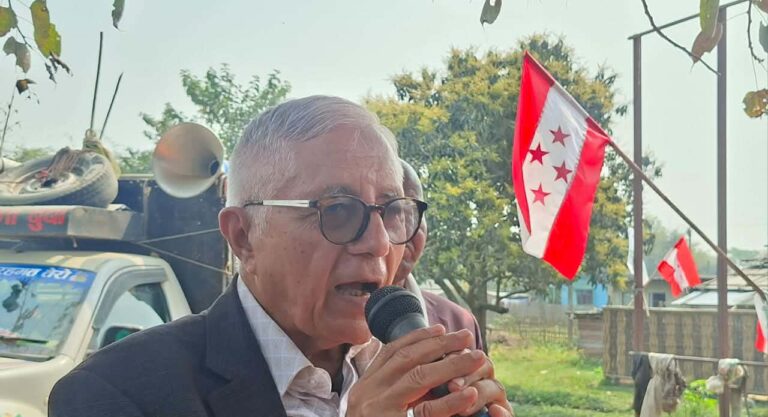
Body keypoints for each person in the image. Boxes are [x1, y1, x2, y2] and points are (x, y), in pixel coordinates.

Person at [48, 96, 513, 417]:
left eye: (392, 210)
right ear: (244, 237)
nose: (377, 242)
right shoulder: (114, 395)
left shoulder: (438, 351)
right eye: (337, 211)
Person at [395, 160, 484, 351]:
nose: (404, 230)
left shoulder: (460, 323)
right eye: (392, 213)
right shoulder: (337, 322)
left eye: (411, 213)